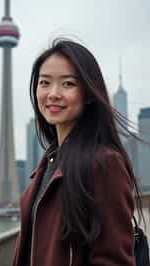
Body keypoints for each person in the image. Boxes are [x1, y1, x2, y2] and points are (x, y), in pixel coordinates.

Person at [13, 38, 143, 266]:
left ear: (90, 93)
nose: (53, 93)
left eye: (68, 84)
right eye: (44, 83)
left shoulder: (103, 163)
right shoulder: (49, 162)